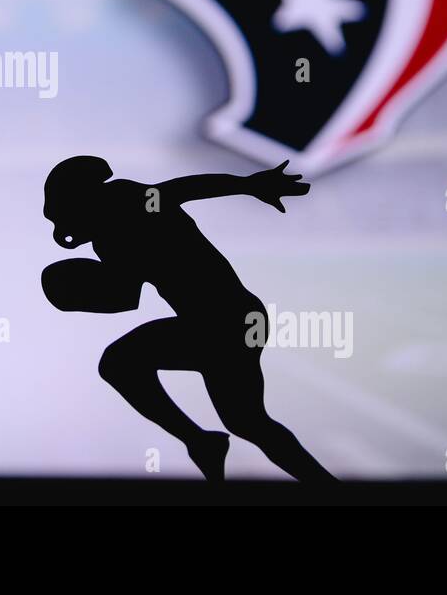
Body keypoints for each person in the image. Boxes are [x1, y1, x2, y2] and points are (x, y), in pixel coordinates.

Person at [41, 156, 334, 482]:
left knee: (118, 363)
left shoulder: (125, 203)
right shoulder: (109, 237)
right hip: (230, 320)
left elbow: (182, 189)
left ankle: (200, 442)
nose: (61, 232)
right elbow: (124, 296)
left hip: (221, 321)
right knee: (247, 422)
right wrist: (79, 286)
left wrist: (247, 184)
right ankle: (316, 482)